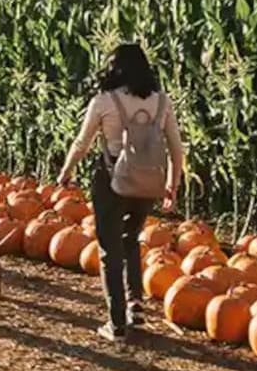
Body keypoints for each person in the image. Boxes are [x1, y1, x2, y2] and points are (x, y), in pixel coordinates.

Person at [56, 42, 186, 342]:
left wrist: (66, 171)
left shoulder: (104, 101)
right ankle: (135, 304)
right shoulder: (161, 102)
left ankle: (116, 323)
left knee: (109, 249)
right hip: (148, 182)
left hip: (112, 179)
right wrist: (172, 184)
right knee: (131, 238)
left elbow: (82, 143)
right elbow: (176, 148)